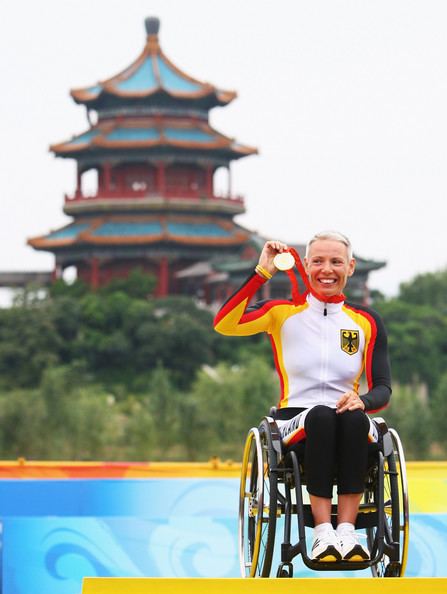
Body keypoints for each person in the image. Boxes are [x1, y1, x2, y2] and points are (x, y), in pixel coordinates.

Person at [213, 231, 391, 563]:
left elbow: (382, 387)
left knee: (352, 418)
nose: (327, 269)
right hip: (296, 422)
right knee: (321, 415)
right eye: (319, 261)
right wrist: (262, 272)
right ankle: (323, 534)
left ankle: (348, 533)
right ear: (305, 265)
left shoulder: (366, 321)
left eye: (336, 262)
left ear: (350, 267)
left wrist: (362, 402)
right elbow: (225, 324)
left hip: (348, 417)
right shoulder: (280, 313)